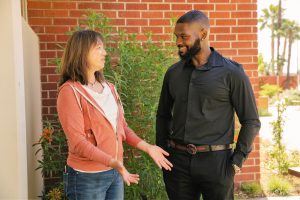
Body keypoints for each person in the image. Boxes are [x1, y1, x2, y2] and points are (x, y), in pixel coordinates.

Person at [156, 10, 261, 200]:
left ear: (203, 34)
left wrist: (237, 161)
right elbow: (163, 115)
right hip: (177, 164)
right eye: (176, 37)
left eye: (184, 36)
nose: (178, 42)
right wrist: (163, 151)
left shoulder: (232, 73)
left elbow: (251, 121)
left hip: (218, 164)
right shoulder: (173, 73)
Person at [57, 30, 173, 200]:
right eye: (98, 48)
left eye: (103, 48)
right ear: (81, 52)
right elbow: (78, 142)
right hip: (87, 178)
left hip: (115, 174)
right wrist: (113, 162)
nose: (104, 52)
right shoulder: (70, 92)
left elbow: (122, 128)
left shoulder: (109, 88)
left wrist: (148, 147)